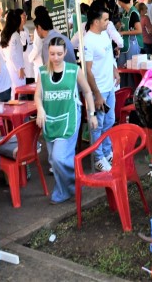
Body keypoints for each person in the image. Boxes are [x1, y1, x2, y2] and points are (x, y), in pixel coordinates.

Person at [35, 36, 98, 205]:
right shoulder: (43, 72)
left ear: (65, 53)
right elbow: (38, 95)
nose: (55, 57)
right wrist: (40, 108)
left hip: (69, 118)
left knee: (59, 158)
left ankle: (72, 186)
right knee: (53, 161)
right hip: (50, 119)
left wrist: (92, 114)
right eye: (52, 54)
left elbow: (87, 91)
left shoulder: (73, 70)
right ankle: (66, 189)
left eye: (59, 54)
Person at [83, 6, 120, 172]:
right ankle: (98, 157)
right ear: (96, 21)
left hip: (109, 87)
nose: (108, 22)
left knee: (110, 121)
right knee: (97, 125)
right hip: (98, 90)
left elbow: (109, 57)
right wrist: (97, 94)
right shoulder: (88, 41)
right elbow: (88, 70)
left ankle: (106, 151)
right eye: (105, 19)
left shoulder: (104, 34)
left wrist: (115, 70)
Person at [0, 9, 27, 98]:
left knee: (13, 93)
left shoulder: (3, 34)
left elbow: (1, 52)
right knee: (19, 94)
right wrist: (19, 68)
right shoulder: (15, 35)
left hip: (9, 67)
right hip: (16, 69)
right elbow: (12, 55)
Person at [116, 0, 143, 68]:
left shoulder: (133, 13)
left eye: (118, 1)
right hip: (124, 43)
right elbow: (123, 26)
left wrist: (123, 33)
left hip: (133, 43)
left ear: (121, 1)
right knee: (121, 66)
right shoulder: (125, 12)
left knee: (132, 67)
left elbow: (139, 30)